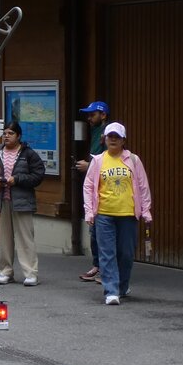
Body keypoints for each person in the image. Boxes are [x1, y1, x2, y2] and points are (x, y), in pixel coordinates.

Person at [83, 122, 153, 305]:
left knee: (126, 253)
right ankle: (111, 291)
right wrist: (89, 212)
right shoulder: (98, 161)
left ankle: (122, 286)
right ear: (105, 139)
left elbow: (143, 186)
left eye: (117, 137)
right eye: (110, 136)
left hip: (128, 214)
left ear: (123, 140)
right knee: (107, 253)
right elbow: (89, 187)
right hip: (104, 214)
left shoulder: (134, 160)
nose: (113, 139)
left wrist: (146, 210)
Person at [0, 121, 47, 286]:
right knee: (4, 239)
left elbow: (38, 175)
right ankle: (5, 272)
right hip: (2, 200)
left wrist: (16, 180)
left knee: (25, 238)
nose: (6, 136)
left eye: (10, 133)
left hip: (22, 201)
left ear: (19, 136)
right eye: (5, 133)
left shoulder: (28, 154)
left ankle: (31, 273)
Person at [75, 100, 109, 282]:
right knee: (94, 231)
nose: (89, 118)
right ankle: (98, 266)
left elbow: (110, 160)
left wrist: (89, 166)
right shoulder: (96, 132)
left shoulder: (108, 134)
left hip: (105, 191)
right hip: (94, 190)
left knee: (103, 232)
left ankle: (106, 269)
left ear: (103, 115)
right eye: (88, 115)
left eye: (92, 114)